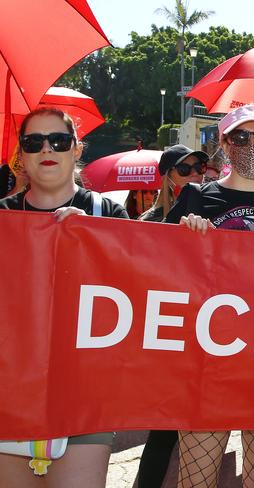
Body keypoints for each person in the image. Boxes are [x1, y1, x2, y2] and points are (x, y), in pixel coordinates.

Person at [165, 103, 254, 488]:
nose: (252, 145)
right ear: (224, 145)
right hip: (208, 362)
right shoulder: (196, 196)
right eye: (241, 137)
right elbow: (154, 269)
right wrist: (183, 239)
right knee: (195, 482)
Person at [0, 107, 128, 487]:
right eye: (33, 142)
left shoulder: (109, 214)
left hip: (85, 398)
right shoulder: (3, 218)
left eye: (58, 140)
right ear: (20, 155)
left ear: (76, 149)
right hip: (11, 395)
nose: (46, 149)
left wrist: (94, 240)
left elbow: (143, 290)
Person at [138, 144, 209, 222]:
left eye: (198, 167)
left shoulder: (217, 208)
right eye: (184, 169)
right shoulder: (150, 221)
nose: (195, 173)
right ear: (168, 179)